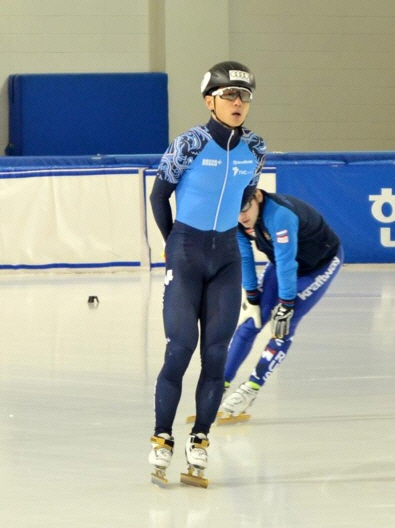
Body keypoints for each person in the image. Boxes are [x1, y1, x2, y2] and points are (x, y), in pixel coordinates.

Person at [148, 61, 266, 486]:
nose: (237, 103)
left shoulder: (256, 147)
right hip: (186, 251)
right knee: (180, 347)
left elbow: (244, 197)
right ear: (209, 100)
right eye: (229, 95)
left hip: (226, 258)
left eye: (244, 97)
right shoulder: (190, 143)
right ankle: (162, 438)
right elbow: (159, 195)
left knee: (215, 355)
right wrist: (171, 243)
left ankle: (199, 441)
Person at [221, 189, 343, 419]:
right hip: (281, 263)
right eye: (235, 212)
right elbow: (244, 255)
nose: (242, 217)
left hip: (317, 266)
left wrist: (286, 304)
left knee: (282, 325)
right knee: (252, 321)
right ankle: (220, 382)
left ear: (257, 196)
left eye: (245, 209)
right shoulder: (237, 217)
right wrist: (252, 294)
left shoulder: (280, 216)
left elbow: (288, 263)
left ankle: (252, 388)